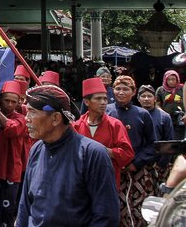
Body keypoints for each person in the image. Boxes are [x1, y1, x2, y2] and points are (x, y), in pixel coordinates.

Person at [16, 85, 119, 226]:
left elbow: (106, 217)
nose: (26, 118)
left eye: (32, 112)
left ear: (55, 118)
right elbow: (25, 208)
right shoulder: (36, 150)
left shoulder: (92, 154)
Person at [107, 75, 157, 226]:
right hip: (111, 168)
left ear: (134, 92)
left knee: (138, 210)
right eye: (118, 89)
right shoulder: (106, 112)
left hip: (137, 170)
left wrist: (136, 163)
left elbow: (152, 145)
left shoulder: (143, 114)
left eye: (125, 89)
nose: (121, 92)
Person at [72, 77, 133, 189]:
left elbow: (127, 153)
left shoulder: (115, 125)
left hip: (107, 183)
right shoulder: (76, 126)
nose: (103, 103)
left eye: (105, 99)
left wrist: (105, 151)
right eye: (98, 99)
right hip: (81, 184)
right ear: (86, 102)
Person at [0, 79, 26, 227]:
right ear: (0, 99)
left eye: (13, 102)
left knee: (8, 212)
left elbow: (10, 129)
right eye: (6, 101)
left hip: (10, 173)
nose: (9, 105)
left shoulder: (21, 119)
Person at [139, 83, 175, 188]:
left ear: (155, 98)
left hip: (159, 164)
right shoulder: (135, 115)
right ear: (138, 99)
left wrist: (161, 164)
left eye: (149, 96)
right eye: (143, 96)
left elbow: (169, 142)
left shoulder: (164, 117)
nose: (146, 99)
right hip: (138, 164)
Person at [156, 70, 184, 139]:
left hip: (181, 118)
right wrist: (163, 113)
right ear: (165, 80)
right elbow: (157, 104)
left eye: (173, 79)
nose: (171, 81)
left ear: (177, 79)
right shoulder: (161, 90)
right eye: (168, 79)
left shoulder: (182, 88)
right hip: (166, 118)